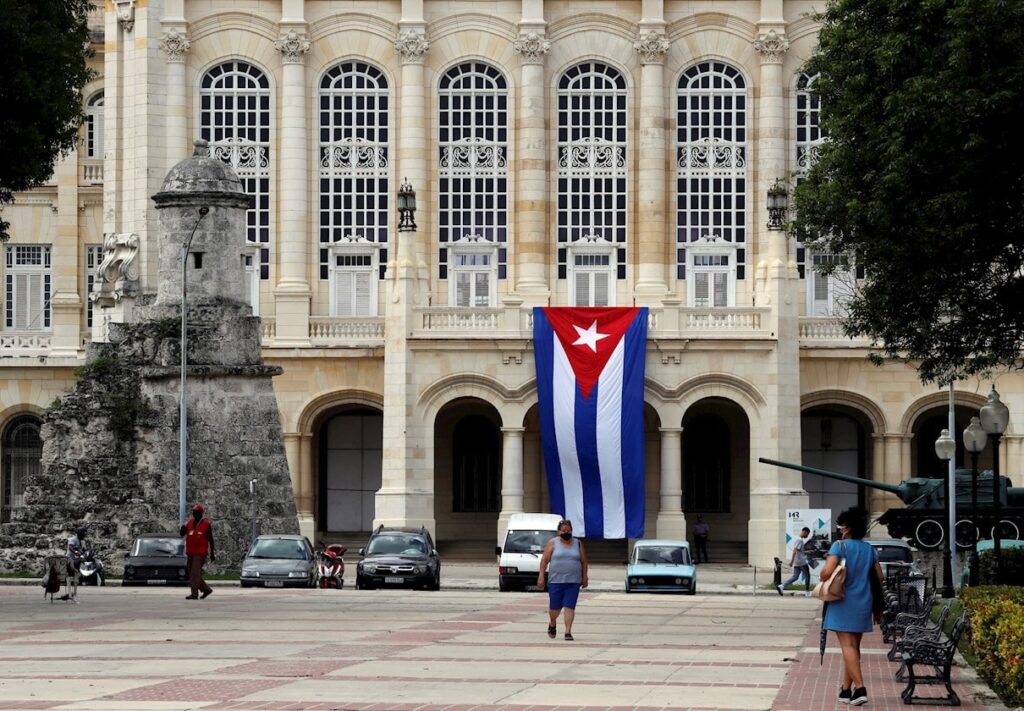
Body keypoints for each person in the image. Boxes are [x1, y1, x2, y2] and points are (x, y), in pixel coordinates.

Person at [819, 507, 883, 706]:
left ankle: (861, 688)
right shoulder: (869, 549)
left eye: (840, 526)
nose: (838, 529)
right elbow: (879, 577)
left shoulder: (839, 546)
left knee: (847, 646)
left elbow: (826, 573)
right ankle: (846, 690)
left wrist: (824, 574)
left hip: (843, 601)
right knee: (853, 647)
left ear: (847, 528)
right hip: (864, 601)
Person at [537, 519, 588, 641]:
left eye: (569, 530)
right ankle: (552, 622)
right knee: (555, 608)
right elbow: (544, 560)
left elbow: (584, 561)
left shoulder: (578, 543)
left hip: (573, 581)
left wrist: (585, 576)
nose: (566, 532)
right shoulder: (553, 543)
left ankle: (568, 631)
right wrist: (541, 576)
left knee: (569, 606)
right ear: (559, 531)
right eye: (564, 530)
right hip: (556, 580)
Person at [179, 504, 215, 600]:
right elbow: (182, 534)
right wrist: (182, 529)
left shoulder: (206, 525)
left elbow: (211, 540)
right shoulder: (189, 523)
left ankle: (194, 594)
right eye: (194, 512)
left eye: (197, 512)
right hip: (190, 552)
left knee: (195, 572)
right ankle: (206, 589)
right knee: (191, 573)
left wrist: (212, 554)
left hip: (200, 553)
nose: (195, 514)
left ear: (201, 513)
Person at [778, 526, 812, 597]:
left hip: (797, 562)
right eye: (807, 534)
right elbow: (794, 551)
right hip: (801, 562)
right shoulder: (799, 540)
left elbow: (800, 551)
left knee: (795, 576)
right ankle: (807, 592)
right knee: (807, 575)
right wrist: (791, 561)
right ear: (804, 532)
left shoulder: (797, 539)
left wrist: (807, 552)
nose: (807, 536)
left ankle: (782, 586)